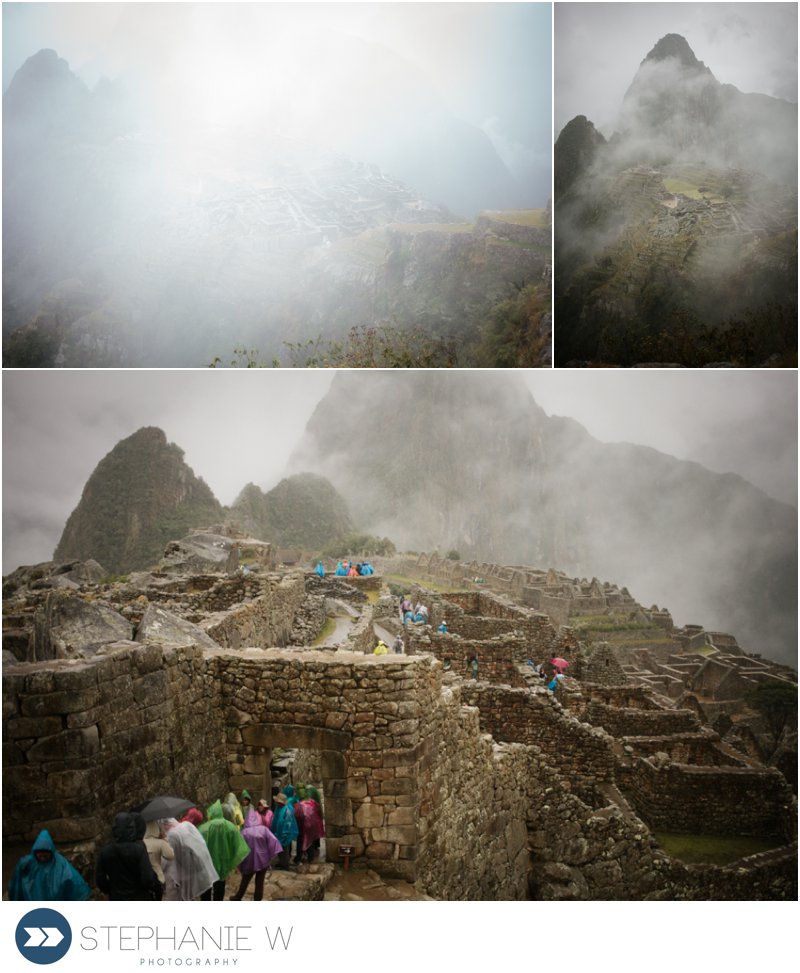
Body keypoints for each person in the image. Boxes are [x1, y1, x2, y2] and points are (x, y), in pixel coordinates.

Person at [8, 829, 91, 901]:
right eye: (40, 854)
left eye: (45, 854)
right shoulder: (27, 863)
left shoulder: (60, 864)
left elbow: (73, 880)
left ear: (51, 851)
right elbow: (17, 884)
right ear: (35, 852)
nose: (43, 857)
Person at [96, 812, 159, 900]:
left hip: (117, 897)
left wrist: (111, 890)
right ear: (132, 828)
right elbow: (147, 877)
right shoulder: (139, 849)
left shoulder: (106, 851)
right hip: (139, 897)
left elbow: (100, 879)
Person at [198, 800, 250, 900]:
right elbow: (239, 846)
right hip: (223, 863)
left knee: (206, 889)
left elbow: (197, 847)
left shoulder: (203, 828)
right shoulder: (231, 827)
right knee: (220, 887)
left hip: (207, 865)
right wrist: (232, 859)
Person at [160, 818, 218, 901]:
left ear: (164, 825)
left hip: (186, 874)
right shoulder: (187, 825)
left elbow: (166, 860)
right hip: (200, 866)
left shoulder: (172, 835)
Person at [231, 808, 282, 901]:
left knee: (245, 879)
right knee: (260, 881)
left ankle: (238, 897)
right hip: (263, 860)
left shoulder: (244, 832)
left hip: (249, 860)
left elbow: (238, 847)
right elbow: (274, 841)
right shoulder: (264, 829)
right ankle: (257, 899)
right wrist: (269, 854)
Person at [143, 820, 174, 900]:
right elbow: (171, 856)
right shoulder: (160, 843)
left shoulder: (140, 843)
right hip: (158, 878)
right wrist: (165, 840)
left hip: (144, 879)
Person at [297, 786, 326, 863]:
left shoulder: (300, 804)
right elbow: (318, 810)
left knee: (303, 841)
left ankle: (302, 857)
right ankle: (311, 858)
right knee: (312, 841)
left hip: (305, 826)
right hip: (314, 824)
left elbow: (298, 816)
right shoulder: (313, 802)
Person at [271, 792, 299, 869]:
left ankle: (285, 866)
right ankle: (281, 862)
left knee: (284, 850)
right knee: (280, 850)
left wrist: (284, 836)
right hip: (278, 833)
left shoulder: (287, 811)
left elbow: (287, 825)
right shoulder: (278, 808)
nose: (276, 803)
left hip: (284, 835)